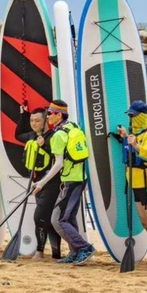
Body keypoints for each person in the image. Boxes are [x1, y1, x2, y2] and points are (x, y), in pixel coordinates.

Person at [32, 100, 96, 265]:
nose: (48, 118)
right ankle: (75, 252)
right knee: (69, 218)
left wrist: (41, 183)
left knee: (58, 219)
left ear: (59, 115)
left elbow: (58, 163)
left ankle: (84, 248)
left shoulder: (59, 134)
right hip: (79, 179)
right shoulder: (73, 127)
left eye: (51, 114)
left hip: (70, 181)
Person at [117, 100, 147, 262]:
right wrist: (125, 136)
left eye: (134, 116)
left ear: (142, 116)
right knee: (146, 224)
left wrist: (136, 145)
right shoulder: (136, 135)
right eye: (130, 116)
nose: (131, 119)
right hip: (136, 184)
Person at [17, 106, 61, 260]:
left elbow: (58, 158)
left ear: (45, 122)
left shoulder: (52, 136)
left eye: (37, 120)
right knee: (46, 219)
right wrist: (23, 115)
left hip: (51, 182)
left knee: (40, 217)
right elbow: (18, 135)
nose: (33, 123)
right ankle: (56, 253)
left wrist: (44, 146)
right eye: (32, 120)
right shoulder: (31, 135)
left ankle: (39, 251)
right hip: (37, 182)